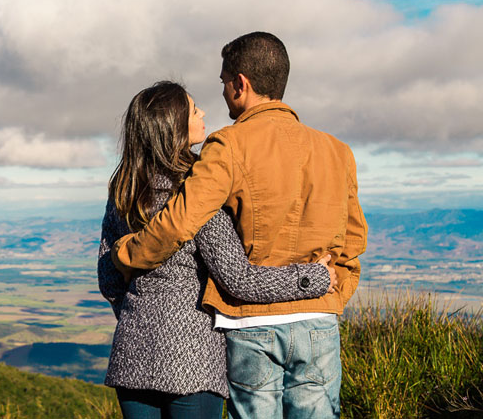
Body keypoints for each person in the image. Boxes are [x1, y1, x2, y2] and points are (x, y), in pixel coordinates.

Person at [110, 33, 368, 418]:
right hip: (317, 317)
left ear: (240, 83)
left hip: (252, 323)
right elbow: (353, 240)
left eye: (223, 82)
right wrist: (330, 297)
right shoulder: (338, 151)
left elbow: (181, 219)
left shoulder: (226, 146)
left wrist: (126, 255)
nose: (221, 97)